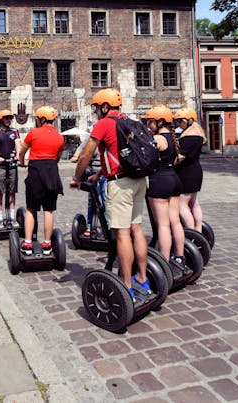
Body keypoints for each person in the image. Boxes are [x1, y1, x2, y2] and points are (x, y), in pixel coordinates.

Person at [70, 88, 151, 303]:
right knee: (137, 229)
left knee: (122, 234)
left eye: (97, 107)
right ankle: (143, 278)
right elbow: (117, 154)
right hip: (139, 180)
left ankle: (126, 285)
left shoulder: (105, 123)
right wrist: (98, 174)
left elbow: (88, 152)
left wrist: (78, 177)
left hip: (121, 185)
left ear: (105, 106)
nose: (96, 111)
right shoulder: (129, 121)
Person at [144, 105, 191, 276]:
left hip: (160, 181)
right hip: (174, 179)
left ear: (160, 121)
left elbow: (145, 155)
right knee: (175, 222)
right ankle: (179, 256)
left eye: (150, 121)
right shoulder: (173, 138)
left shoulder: (159, 139)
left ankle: (163, 263)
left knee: (163, 225)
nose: (149, 125)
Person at [17, 106, 64, 255]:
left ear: (42, 119)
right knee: (49, 209)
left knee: (31, 208)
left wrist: (22, 162)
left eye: (37, 119)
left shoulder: (33, 133)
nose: (37, 121)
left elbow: (22, 152)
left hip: (35, 171)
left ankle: (28, 243)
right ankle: (47, 244)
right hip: (51, 171)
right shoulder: (59, 137)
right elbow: (57, 157)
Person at [173, 107, 207, 233]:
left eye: (180, 121)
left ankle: (191, 232)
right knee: (194, 203)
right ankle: (198, 231)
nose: (178, 123)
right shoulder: (197, 133)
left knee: (182, 204)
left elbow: (181, 157)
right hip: (195, 170)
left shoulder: (189, 136)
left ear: (189, 120)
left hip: (186, 173)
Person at [70, 131, 106, 238]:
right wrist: (76, 156)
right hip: (92, 174)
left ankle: (107, 227)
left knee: (105, 200)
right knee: (92, 201)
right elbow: (82, 148)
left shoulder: (109, 136)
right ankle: (90, 226)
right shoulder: (92, 137)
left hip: (106, 173)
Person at [0, 109, 21, 228]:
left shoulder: (15, 131)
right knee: (0, 192)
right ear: (0, 120)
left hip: (12, 164)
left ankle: (12, 218)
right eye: (6, 118)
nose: (9, 120)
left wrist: (18, 155)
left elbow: (18, 144)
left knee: (12, 192)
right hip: (1, 166)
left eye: (10, 118)